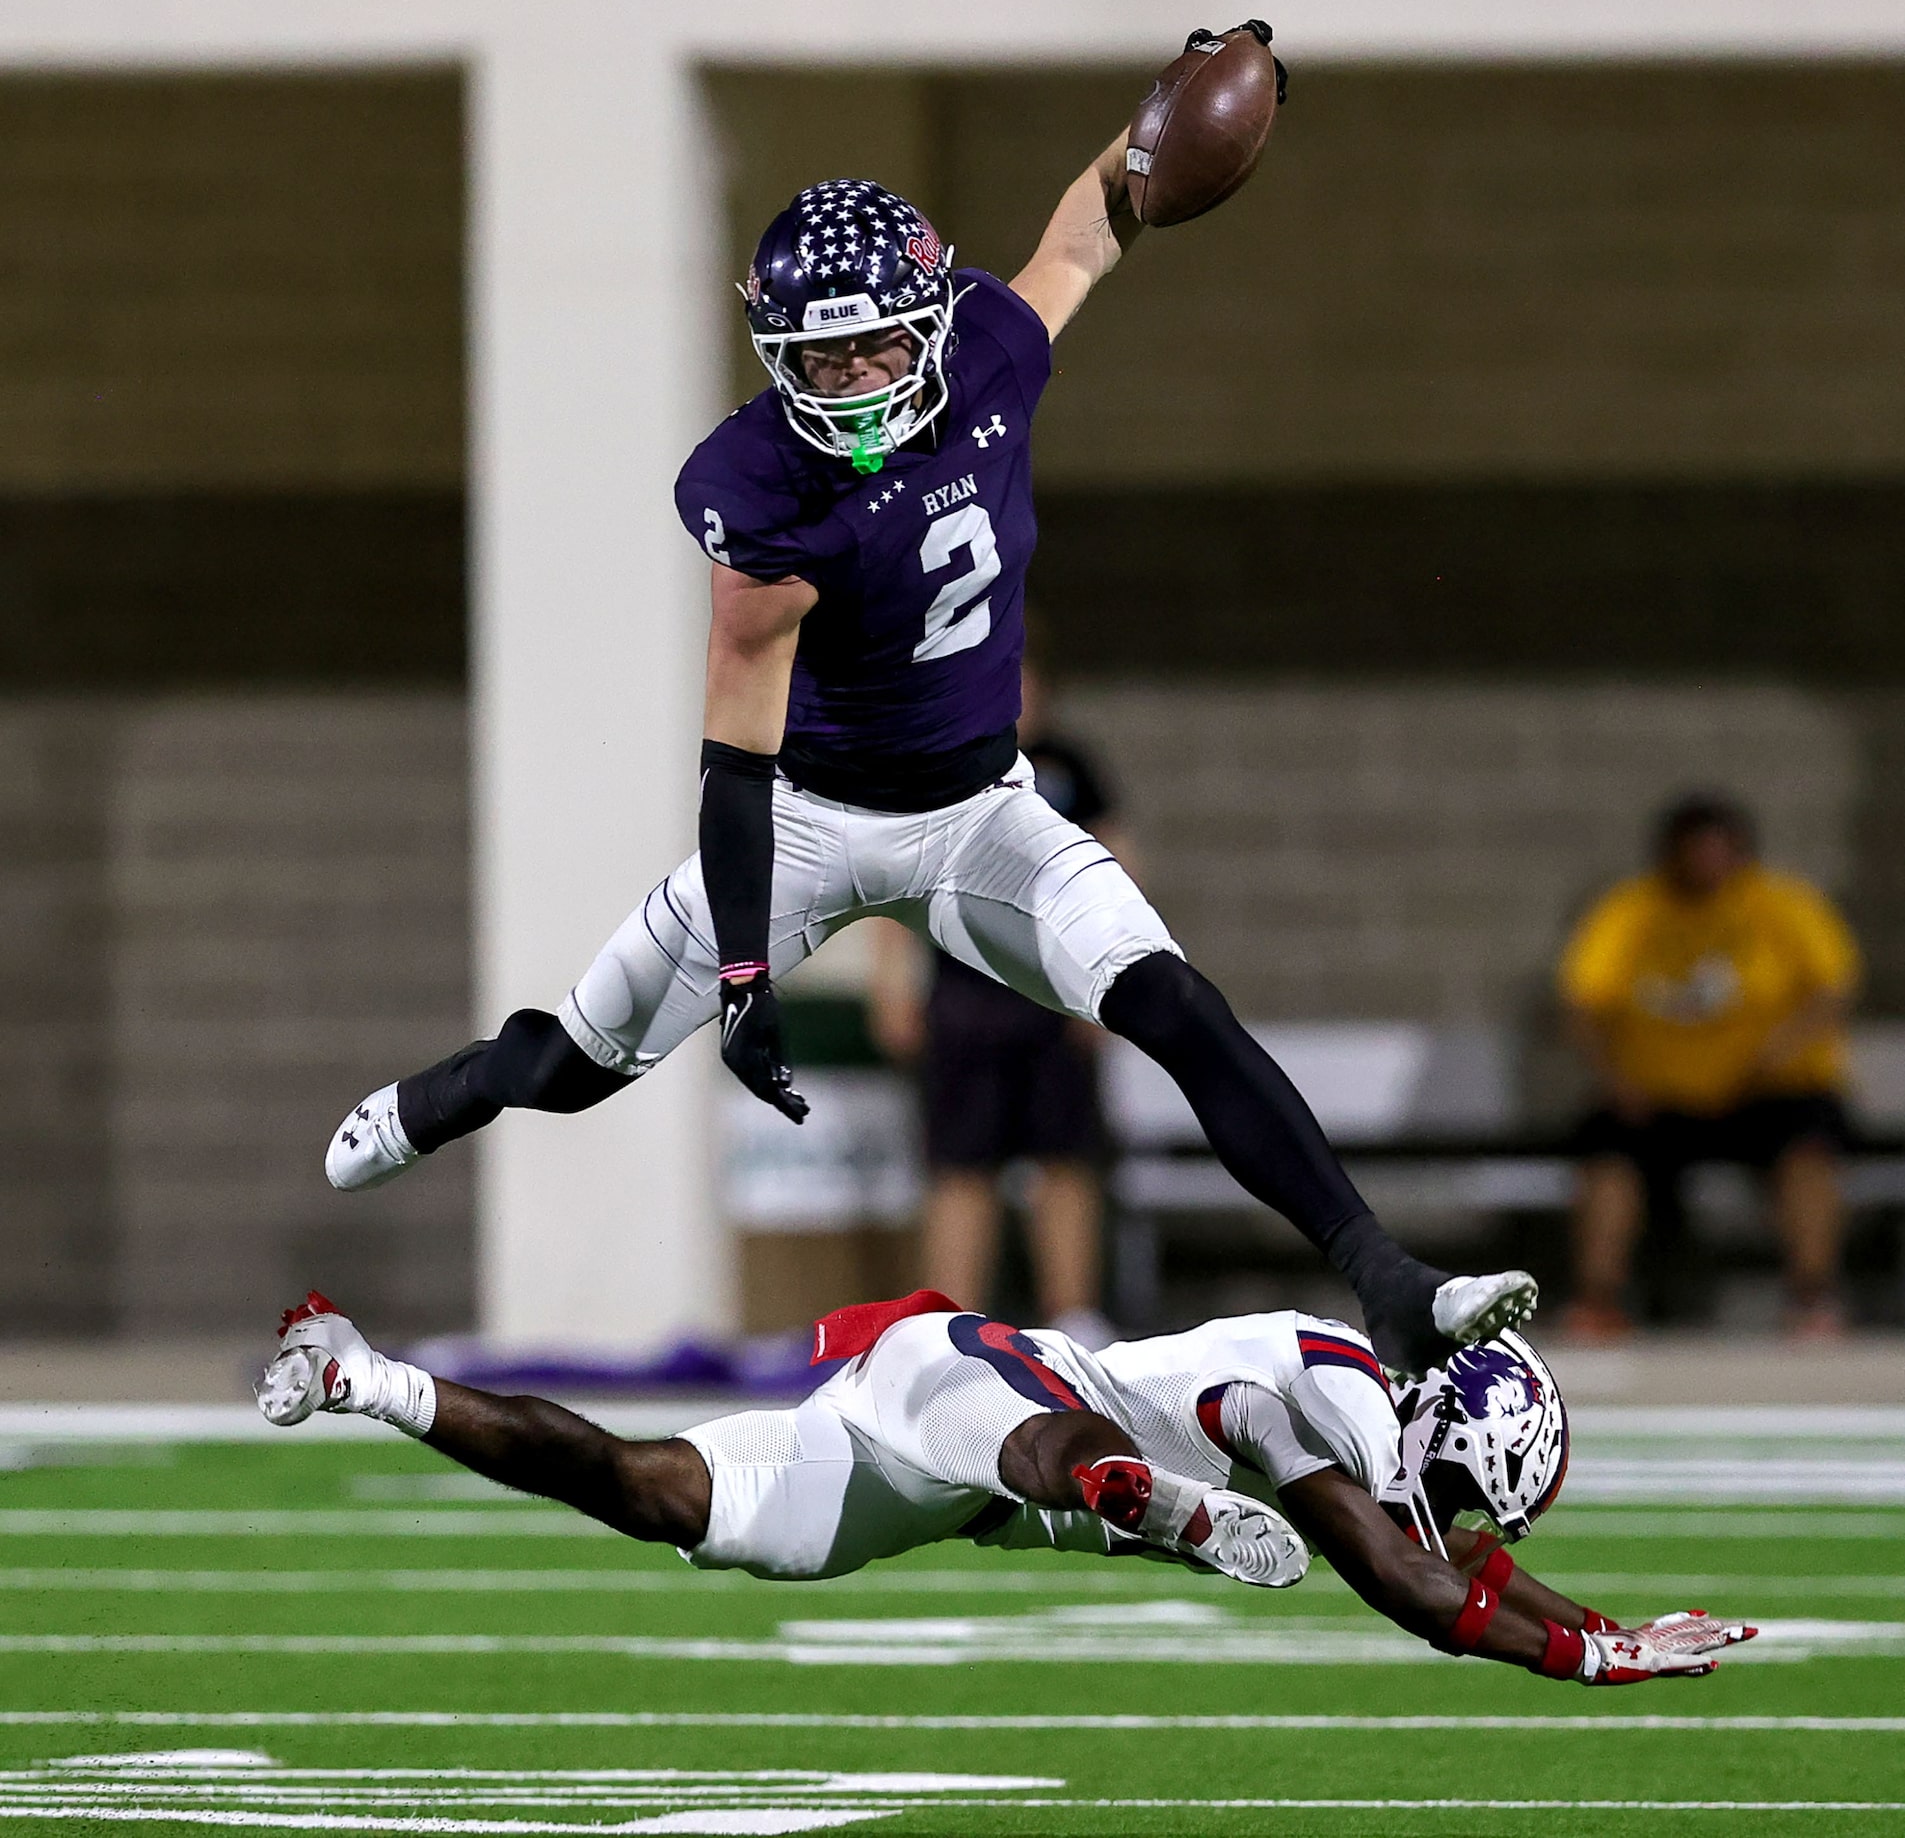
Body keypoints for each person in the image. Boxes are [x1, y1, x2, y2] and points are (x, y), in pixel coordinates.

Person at [321, 82, 1534, 1373]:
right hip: (807, 818)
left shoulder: (993, 350)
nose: (848, 384)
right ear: (770, 350)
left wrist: (1155, 122)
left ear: (933, 321)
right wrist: (743, 975)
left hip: (976, 813)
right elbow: (733, 763)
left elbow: (1084, 231)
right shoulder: (757, 486)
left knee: (1174, 1002)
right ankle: (445, 1092)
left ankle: (1385, 1276)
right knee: (578, 1062)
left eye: (874, 350)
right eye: (818, 358)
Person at [257, 1286, 1754, 1687]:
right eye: (1477, 1495)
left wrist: (1595, 1627)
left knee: (647, 1489)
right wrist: (1587, 1648)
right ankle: (1120, 1489)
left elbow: (1449, 1574)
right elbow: (1417, 1589)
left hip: (924, 1478)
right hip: (982, 1384)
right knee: (1046, 1448)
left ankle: (360, 1374)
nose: (1467, 1523)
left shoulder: (1375, 1430)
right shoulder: (1341, 1398)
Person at [866, 656, 1123, 1343]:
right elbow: (898, 884)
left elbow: (1113, 869)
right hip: (963, 1001)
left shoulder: (1070, 768)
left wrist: (1106, 981)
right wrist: (890, 985)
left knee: (1063, 1160)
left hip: (1051, 994)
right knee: (960, 1165)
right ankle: (947, 1322)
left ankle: (1072, 1316)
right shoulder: (935, 768)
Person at [1559, 793, 1862, 1341]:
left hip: (1765, 1091)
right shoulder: (1632, 909)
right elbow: (1582, 1001)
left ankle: (1813, 1296)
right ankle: (1598, 1299)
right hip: (1661, 1097)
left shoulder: (1783, 904)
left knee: (1808, 1151)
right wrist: (1614, 1078)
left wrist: (1781, 1050)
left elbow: (1834, 990)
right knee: (1608, 1154)